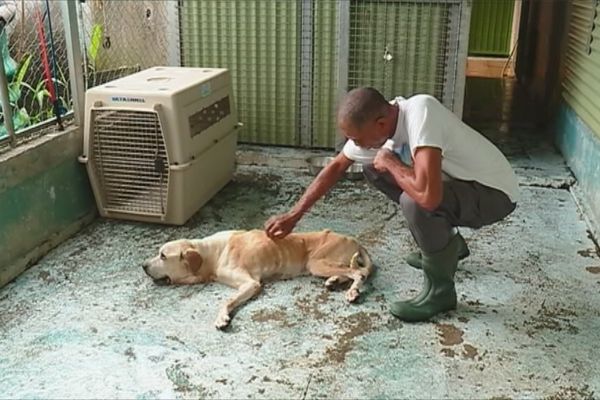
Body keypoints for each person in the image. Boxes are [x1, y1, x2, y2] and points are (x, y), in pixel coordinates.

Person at [264, 87, 519, 322]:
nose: (357, 144)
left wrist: (392, 163)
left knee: (415, 199)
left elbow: (428, 196)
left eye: (358, 139)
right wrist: (294, 215)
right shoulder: (382, 131)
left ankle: (440, 293)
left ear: (381, 124)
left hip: (493, 195)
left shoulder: (421, 111)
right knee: (373, 169)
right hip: (461, 188)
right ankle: (448, 244)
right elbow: (336, 167)